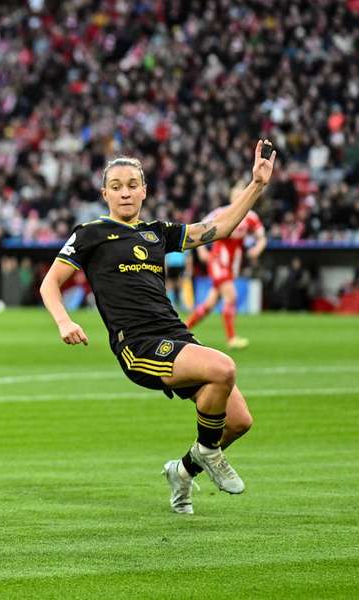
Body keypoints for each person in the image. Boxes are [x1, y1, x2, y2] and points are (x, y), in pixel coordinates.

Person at [40, 140, 276, 515]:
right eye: (116, 186)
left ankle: (183, 471)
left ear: (145, 190)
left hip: (176, 336)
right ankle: (209, 453)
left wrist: (257, 185)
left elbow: (222, 227)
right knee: (224, 368)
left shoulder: (158, 232)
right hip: (138, 345)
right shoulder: (89, 233)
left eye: (132, 184)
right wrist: (64, 320)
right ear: (104, 194)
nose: (125, 192)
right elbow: (49, 283)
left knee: (240, 421)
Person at [184, 184, 267, 349]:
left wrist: (258, 248)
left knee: (209, 305)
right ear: (231, 198)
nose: (238, 199)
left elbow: (262, 237)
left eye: (240, 196)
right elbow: (199, 228)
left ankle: (182, 330)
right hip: (218, 261)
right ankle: (231, 339)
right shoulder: (220, 213)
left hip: (232, 266)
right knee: (231, 297)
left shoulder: (251, 217)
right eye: (235, 196)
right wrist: (200, 251)